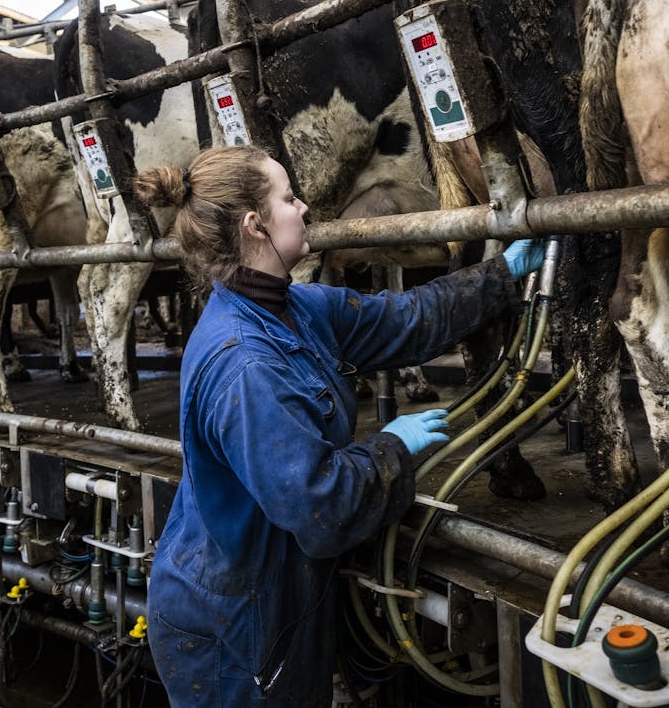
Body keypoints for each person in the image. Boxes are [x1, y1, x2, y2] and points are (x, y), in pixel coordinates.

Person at [136, 146, 544, 706]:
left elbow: (404, 319)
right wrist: (390, 449)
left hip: (261, 595)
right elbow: (317, 505)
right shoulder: (246, 363)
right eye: (288, 196)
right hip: (233, 628)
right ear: (255, 225)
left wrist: (504, 273)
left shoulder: (293, 308)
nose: (303, 206)